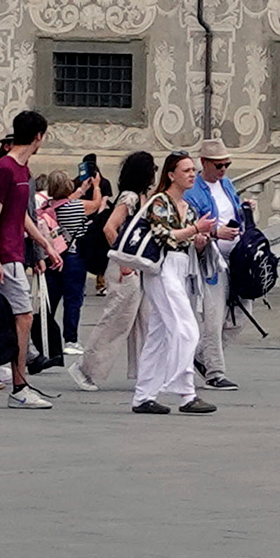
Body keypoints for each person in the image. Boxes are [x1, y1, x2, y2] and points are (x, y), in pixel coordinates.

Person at [120, 152, 218, 415]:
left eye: (193, 170)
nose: (191, 174)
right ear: (171, 174)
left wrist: (199, 239)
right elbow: (164, 235)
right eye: (185, 170)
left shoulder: (189, 207)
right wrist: (195, 230)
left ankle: (143, 396)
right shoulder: (160, 202)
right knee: (186, 328)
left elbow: (185, 240)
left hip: (179, 267)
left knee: (159, 334)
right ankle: (186, 392)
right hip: (162, 269)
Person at [0, 110, 53, 409]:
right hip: (5, 254)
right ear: (38, 137)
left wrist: (44, 244)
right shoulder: (5, 167)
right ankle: (20, 386)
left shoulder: (23, 170)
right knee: (22, 318)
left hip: (16, 251)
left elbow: (21, 215)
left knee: (2, 319)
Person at [76, 152, 156, 397]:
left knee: (144, 320)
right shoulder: (130, 198)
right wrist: (123, 259)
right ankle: (86, 368)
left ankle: (146, 370)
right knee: (116, 320)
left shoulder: (143, 197)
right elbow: (111, 227)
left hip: (135, 266)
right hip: (124, 268)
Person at [183, 144, 244, 392]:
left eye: (227, 165)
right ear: (204, 162)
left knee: (240, 315)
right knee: (214, 315)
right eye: (219, 165)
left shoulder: (227, 185)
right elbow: (190, 225)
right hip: (211, 259)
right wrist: (216, 233)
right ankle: (214, 372)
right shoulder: (193, 192)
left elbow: (235, 210)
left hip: (237, 258)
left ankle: (201, 357)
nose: (223, 170)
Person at [41, 154, 105, 369]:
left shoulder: (50, 206)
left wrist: (81, 189)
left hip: (54, 256)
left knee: (51, 299)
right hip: (73, 256)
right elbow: (95, 205)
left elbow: (68, 199)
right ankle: (70, 339)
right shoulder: (75, 207)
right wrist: (96, 186)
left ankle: (44, 336)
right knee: (73, 299)